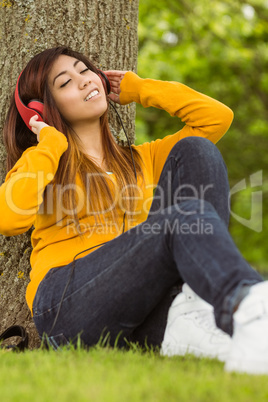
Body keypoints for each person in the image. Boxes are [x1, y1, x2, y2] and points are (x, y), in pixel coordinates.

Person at [0, 46, 267, 375]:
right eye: (65, 82)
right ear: (42, 110)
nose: (84, 81)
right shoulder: (43, 163)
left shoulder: (141, 159)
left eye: (85, 70)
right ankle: (245, 302)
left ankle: (208, 309)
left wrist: (138, 89)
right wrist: (51, 144)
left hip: (138, 307)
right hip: (67, 305)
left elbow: (216, 119)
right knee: (183, 216)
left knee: (196, 150)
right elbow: (8, 219)